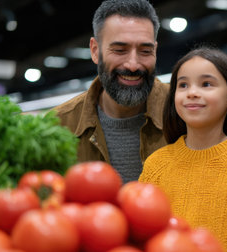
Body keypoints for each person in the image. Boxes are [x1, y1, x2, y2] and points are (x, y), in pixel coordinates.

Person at [138, 47, 227, 251]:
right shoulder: (156, 165)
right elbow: (141, 234)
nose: (192, 93)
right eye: (183, 85)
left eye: (206, 84)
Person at [54, 0, 169, 183]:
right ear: (95, 51)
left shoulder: (184, 111)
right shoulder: (59, 126)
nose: (133, 65)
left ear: (155, 50)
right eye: (119, 50)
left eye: (145, 51)